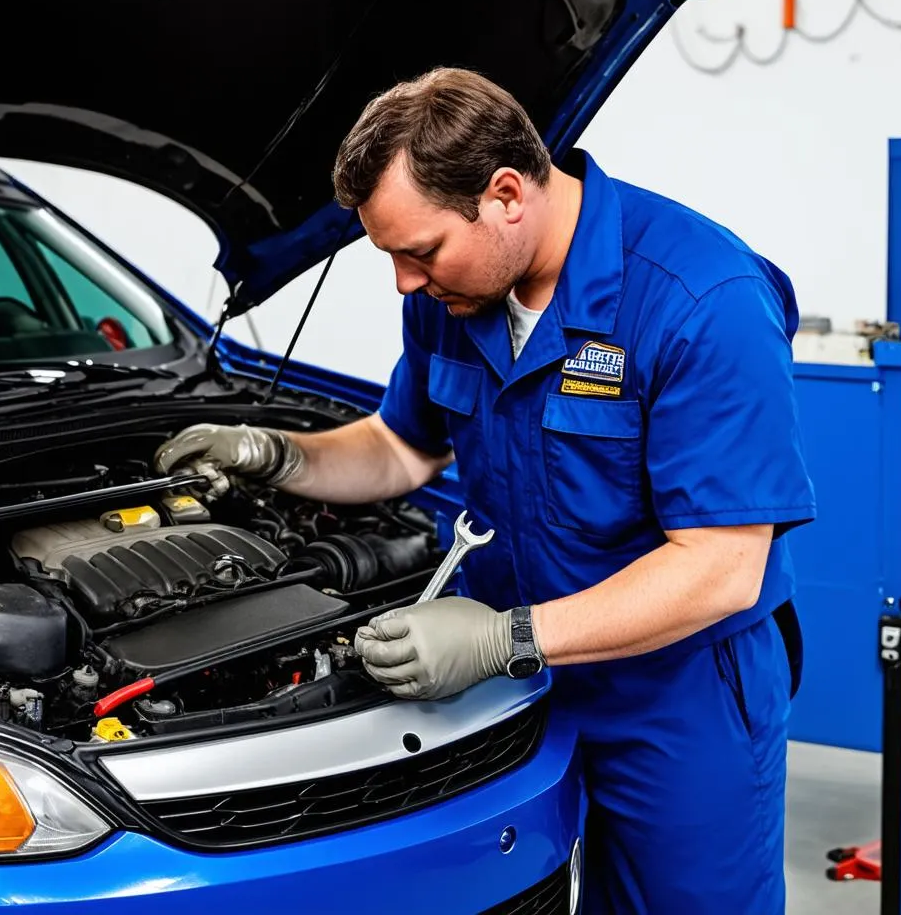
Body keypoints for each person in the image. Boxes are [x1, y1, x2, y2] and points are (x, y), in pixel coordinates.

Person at [154, 67, 816, 913]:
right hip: (508, 681)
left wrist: (502, 638)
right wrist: (275, 454)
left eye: (418, 251)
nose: (404, 282)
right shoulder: (455, 295)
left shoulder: (701, 299)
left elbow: (722, 567)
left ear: (506, 195)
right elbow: (401, 448)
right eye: (389, 255)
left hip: (676, 694)